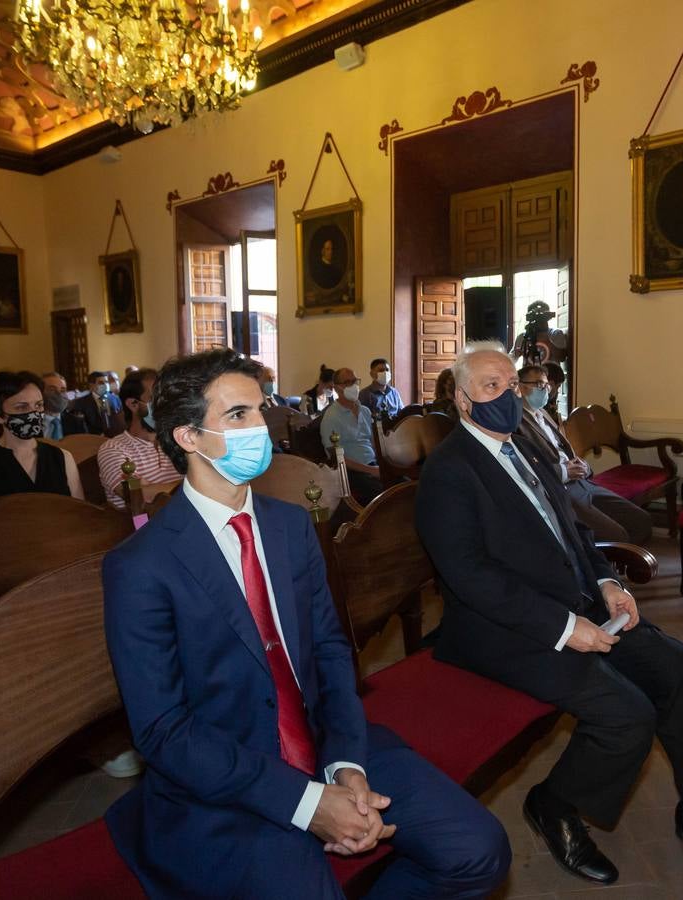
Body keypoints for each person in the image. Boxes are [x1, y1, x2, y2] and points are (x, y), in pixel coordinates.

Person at [101, 349, 510, 899]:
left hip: (325, 743)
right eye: (238, 415)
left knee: (478, 849)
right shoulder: (141, 565)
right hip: (226, 784)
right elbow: (164, 731)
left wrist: (345, 764)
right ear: (188, 437)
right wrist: (305, 803)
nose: (260, 427)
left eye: (260, 410)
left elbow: (331, 651)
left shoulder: (291, 527)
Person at [415, 342, 683, 886]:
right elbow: (471, 577)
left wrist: (606, 581)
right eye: (491, 387)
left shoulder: (525, 447)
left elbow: (571, 531)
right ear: (462, 400)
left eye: (511, 386)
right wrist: (567, 629)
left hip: (577, 603)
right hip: (502, 630)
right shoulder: (449, 471)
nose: (507, 396)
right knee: (627, 714)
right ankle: (554, 804)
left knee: (680, 668)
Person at [515, 364, 652, 545]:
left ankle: (627, 567)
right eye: (540, 385)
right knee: (616, 535)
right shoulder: (516, 422)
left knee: (641, 520)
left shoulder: (543, 414)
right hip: (560, 490)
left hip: (582, 483)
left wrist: (584, 466)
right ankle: (602, 570)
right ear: (520, 387)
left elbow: (563, 449)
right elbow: (525, 466)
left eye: (547, 385)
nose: (546, 390)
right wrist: (564, 472)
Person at [0, 370, 84, 509]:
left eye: (38, 405)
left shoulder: (63, 458)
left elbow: (80, 515)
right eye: (22, 407)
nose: (33, 414)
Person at [98, 368, 180, 510]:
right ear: (133, 404)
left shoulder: (178, 442)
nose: (165, 406)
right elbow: (137, 495)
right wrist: (188, 484)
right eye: (156, 399)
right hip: (140, 527)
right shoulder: (113, 448)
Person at [319, 367, 382, 504]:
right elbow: (336, 457)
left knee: (404, 484)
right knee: (383, 494)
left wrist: (383, 464)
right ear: (336, 388)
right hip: (351, 471)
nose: (353, 386)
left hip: (373, 465)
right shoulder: (331, 417)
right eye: (348, 382)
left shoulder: (365, 411)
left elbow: (373, 443)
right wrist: (370, 470)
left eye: (355, 381)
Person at [64, 371, 118, 436]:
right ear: (91, 386)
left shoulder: (115, 399)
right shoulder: (79, 403)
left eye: (106, 382)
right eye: (101, 383)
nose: (106, 385)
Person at [41, 372, 70, 441]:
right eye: (52, 389)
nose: (59, 393)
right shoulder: (31, 422)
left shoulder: (76, 422)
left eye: (63, 390)